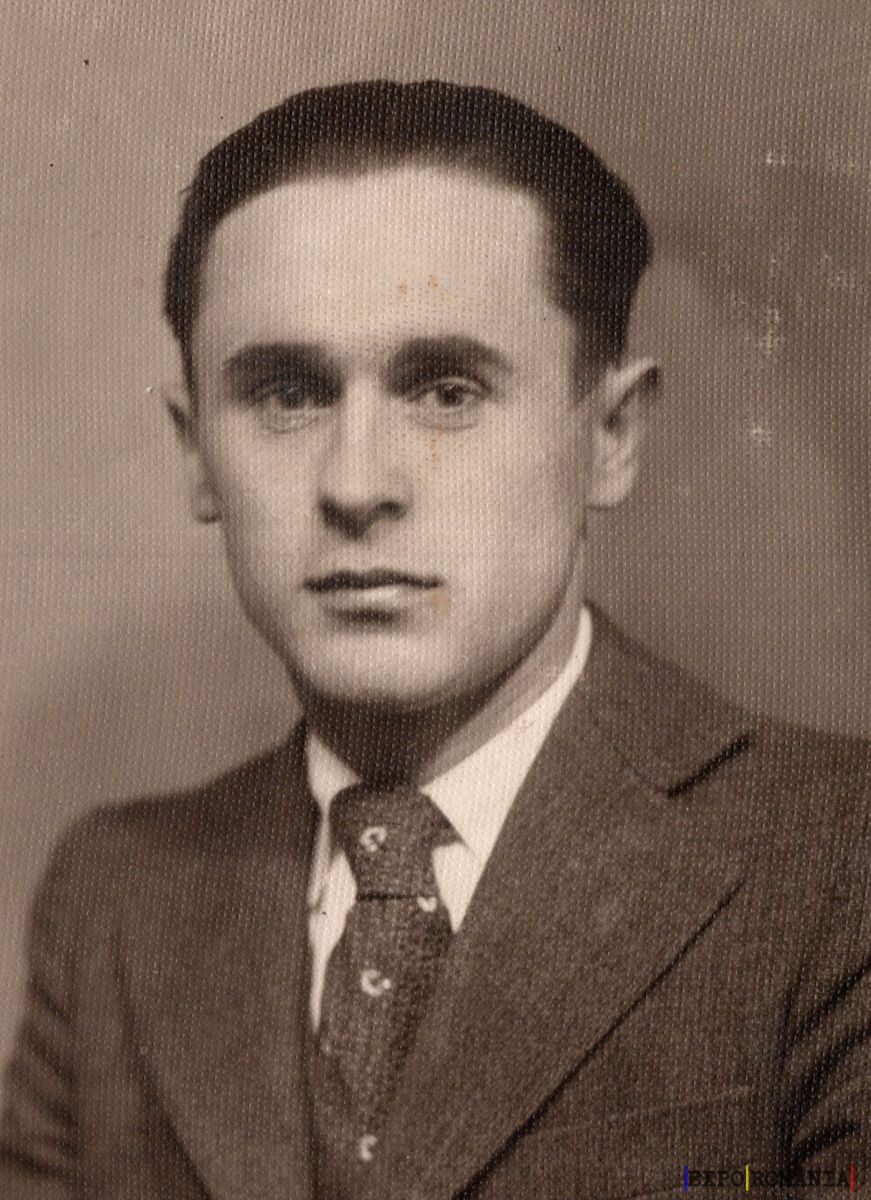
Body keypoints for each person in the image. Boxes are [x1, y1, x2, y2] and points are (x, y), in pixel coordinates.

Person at [0, 80, 868, 1200]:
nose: (357, 483)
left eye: (448, 391)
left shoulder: (838, 863)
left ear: (609, 437)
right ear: (195, 452)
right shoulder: (115, 895)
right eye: (288, 395)